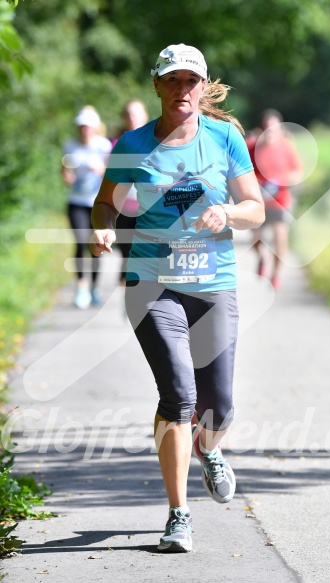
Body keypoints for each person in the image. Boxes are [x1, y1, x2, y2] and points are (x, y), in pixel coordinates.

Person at [90, 43, 264, 553]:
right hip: (152, 284)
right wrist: (102, 230)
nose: (182, 90)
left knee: (218, 405)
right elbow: (104, 205)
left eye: (191, 81)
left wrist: (227, 214)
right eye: (172, 80)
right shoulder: (132, 144)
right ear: (157, 85)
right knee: (180, 396)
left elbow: (255, 207)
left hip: (213, 283)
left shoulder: (224, 138)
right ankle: (179, 515)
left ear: (204, 88)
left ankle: (209, 449)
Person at [246, 109, 303, 290]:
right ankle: (263, 257)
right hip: (259, 201)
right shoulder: (252, 147)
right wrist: (256, 183)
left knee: (280, 239)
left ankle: (276, 275)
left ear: (280, 130)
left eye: (273, 128)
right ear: (262, 129)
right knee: (255, 242)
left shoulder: (287, 146)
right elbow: (242, 172)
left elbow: (297, 172)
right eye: (267, 128)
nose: (270, 132)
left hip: (280, 201)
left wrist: (283, 181)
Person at [62, 106, 112, 309]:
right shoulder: (70, 145)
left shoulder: (103, 145)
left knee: (96, 246)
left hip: (98, 204)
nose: (84, 129)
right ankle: (81, 287)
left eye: (88, 126)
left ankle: (94, 287)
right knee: (81, 242)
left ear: (95, 127)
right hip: (76, 202)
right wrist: (68, 176)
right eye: (81, 126)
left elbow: (112, 173)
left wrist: (99, 169)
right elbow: (64, 170)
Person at [111, 101, 149, 286]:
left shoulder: (157, 140)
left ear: (145, 116)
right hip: (124, 207)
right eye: (129, 114)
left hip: (148, 208)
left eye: (137, 114)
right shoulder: (115, 143)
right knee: (127, 255)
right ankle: (130, 301)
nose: (133, 118)